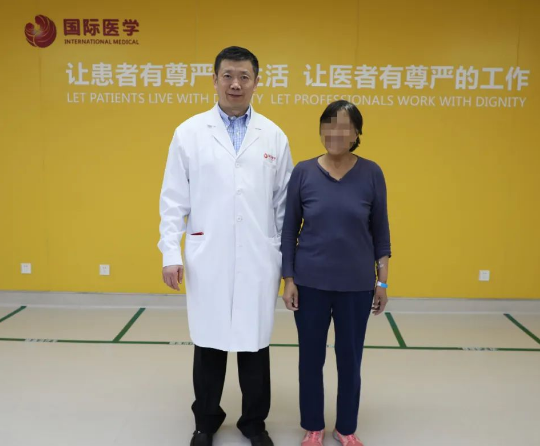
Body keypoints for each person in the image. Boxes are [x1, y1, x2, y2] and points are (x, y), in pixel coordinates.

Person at [158, 46, 293, 446]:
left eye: (244, 77)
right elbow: (173, 200)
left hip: (258, 255)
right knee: (209, 342)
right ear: (214, 80)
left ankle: (254, 422)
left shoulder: (273, 136)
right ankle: (205, 421)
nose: (236, 84)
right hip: (208, 255)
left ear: (256, 82)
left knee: (255, 343)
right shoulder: (189, 133)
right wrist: (170, 253)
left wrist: (286, 264)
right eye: (228, 76)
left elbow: (284, 206)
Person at [281, 100, 391, 446]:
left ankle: (346, 427)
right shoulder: (303, 172)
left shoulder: (372, 173)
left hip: (356, 286)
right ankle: (313, 425)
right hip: (310, 283)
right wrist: (289, 279)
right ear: (321, 130)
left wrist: (382, 280)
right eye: (329, 124)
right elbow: (289, 230)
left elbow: (381, 232)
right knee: (310, 359)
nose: (335, 133)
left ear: (357, 133)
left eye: (344, 126)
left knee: (350, 359)